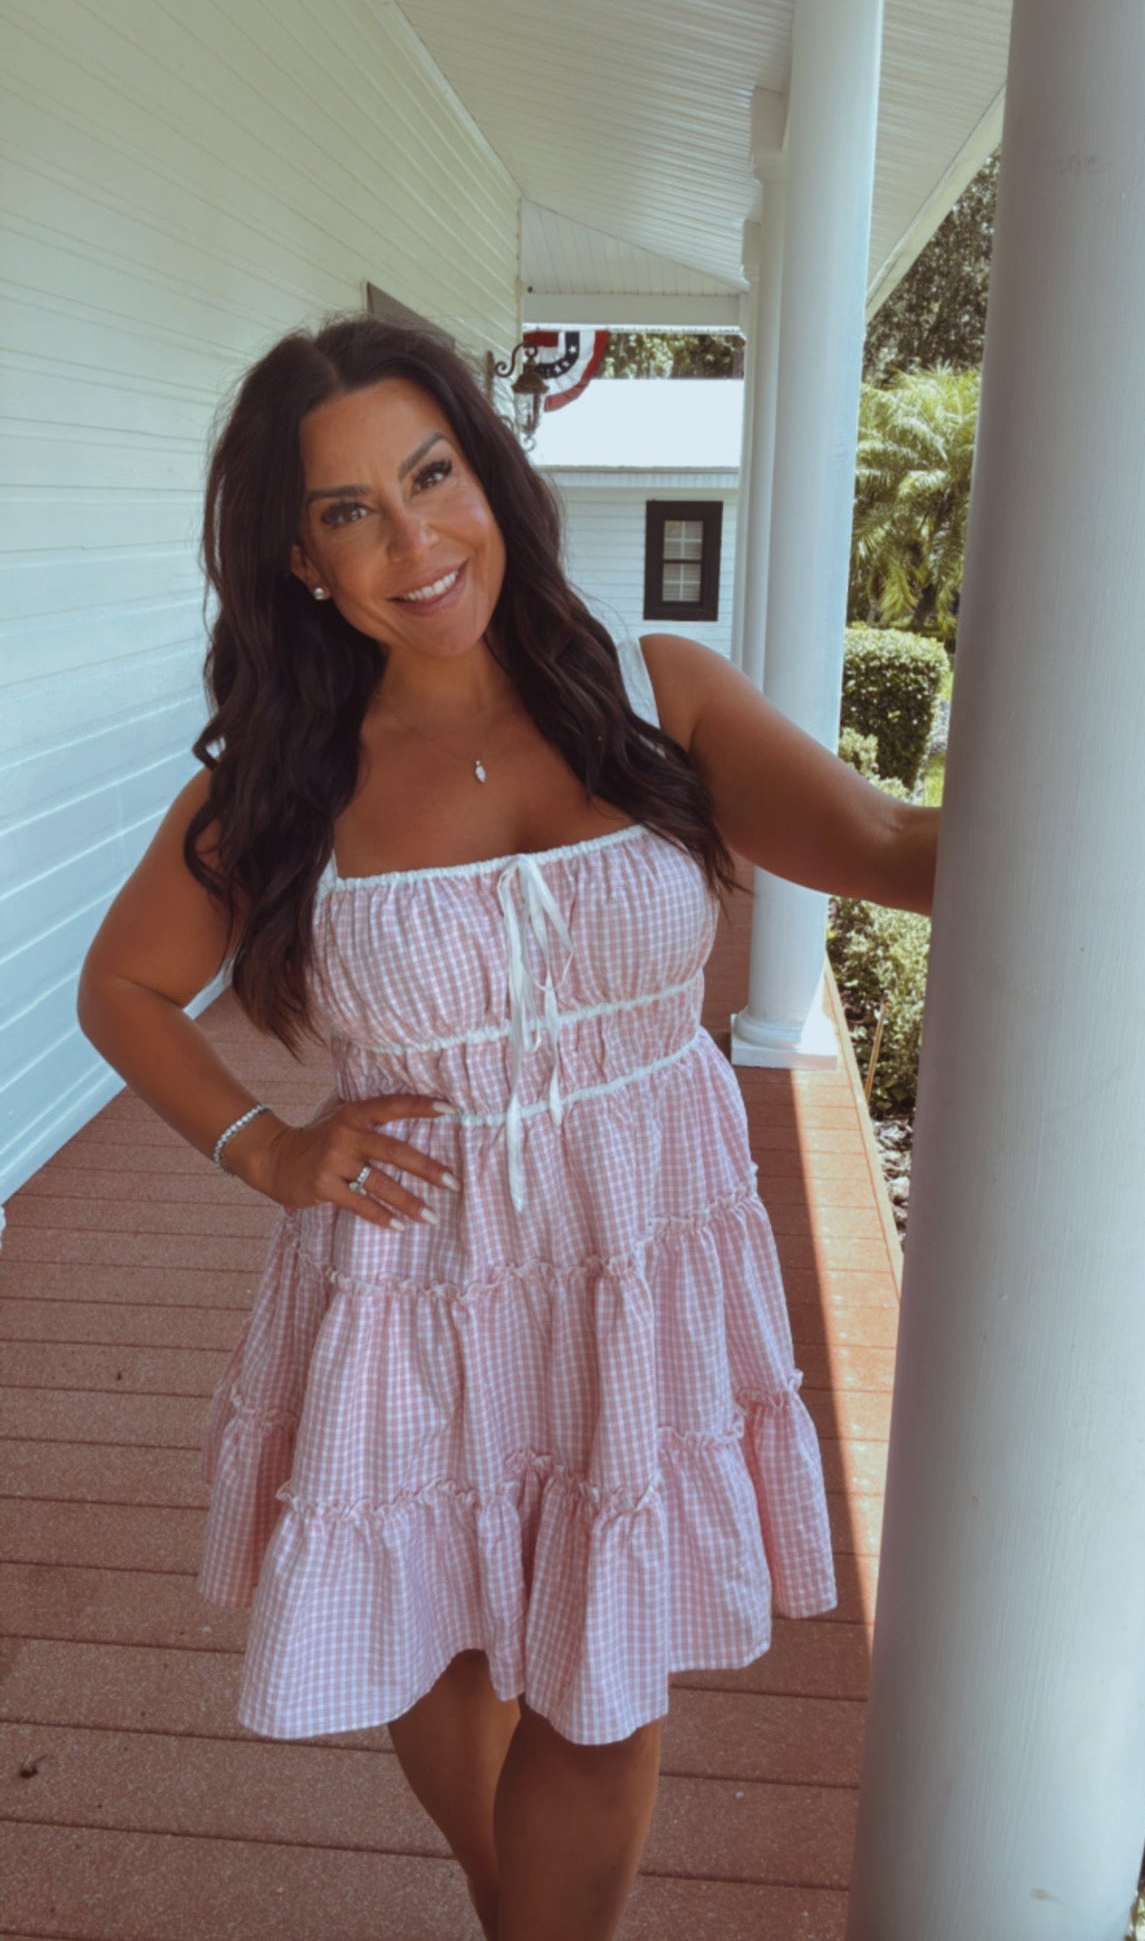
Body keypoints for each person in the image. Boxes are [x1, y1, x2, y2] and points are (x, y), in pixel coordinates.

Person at [77, 314, 939, 1941]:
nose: (414, 543)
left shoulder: (655, 694)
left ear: (488, 475)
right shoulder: (285, 779)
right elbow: (122, 988)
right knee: (449, 1631)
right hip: (416, 1276)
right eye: (350, 512)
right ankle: (506, 1896)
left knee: (605, 1684)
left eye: (432, 476)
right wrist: (267, 1150)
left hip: (638, 1258)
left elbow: (893, 848)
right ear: (299, 559)